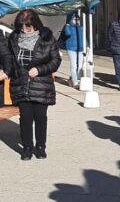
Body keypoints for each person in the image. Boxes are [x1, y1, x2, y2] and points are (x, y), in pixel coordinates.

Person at [0, 9, 61, 160]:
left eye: (28, 27)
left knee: (40, 117)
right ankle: (27, 147)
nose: (25, 30)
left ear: (35, 24)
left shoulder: (47, 38)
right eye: (22, 27)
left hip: (41, 85)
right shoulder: (14, 38)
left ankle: (40, 147)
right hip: (20, 84)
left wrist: (39, 70)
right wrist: (6, 71)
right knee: (25, 118)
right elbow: (9, 59)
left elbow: (55, 61)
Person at [60, 12, 84, 88]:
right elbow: (68, 34)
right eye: (75, 19)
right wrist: (67, 25)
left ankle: (71, 78)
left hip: (80, 49)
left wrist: (86, 46)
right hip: (71, 49)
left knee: (80, 66)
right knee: (74, 65)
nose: (77, 21)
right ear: (70, 20)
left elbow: (83, 38)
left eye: (78, 19)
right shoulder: (68, 27)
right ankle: (75, 82)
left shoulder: (80, 28)